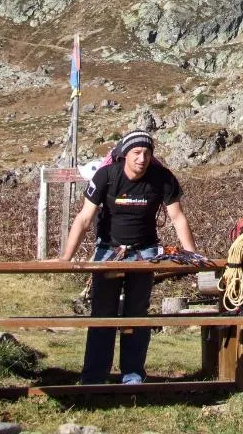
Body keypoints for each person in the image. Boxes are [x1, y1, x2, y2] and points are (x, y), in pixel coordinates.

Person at [59, 129, 196, 385]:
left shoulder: (163, 179)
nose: (141, 159)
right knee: (103, 313)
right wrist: (65, 258)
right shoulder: (106, 176)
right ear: (124, 154)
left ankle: (132, 377)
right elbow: (84, 218)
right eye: (136, 153)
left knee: (137, 313)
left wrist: (191, 255)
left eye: (146, 153)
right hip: (109, 251)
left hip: (145, 253)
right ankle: (94, 378)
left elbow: (177, 217)